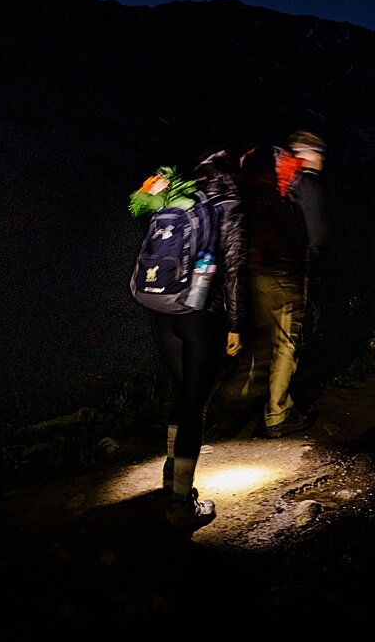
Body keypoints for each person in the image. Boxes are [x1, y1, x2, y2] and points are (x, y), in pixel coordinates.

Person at [144, 148, 244, 531]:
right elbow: (233, 269)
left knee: (182, 393)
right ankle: (181, 504)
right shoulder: (231, 207)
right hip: (201, 316)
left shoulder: (180, 201)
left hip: (162, 310)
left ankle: (172, 481)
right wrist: (235, 324)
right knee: (194, 406)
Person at [239, 130, 328, 439]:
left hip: (255, 270)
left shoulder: (269, 185)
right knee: (285, 344)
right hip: (288, 275)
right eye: (318, 153)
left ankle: (237, 407)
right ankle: (277, 414)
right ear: (304, 154)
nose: (321, 159)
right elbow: (317, 237)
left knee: (258, 340)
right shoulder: (306, 185)